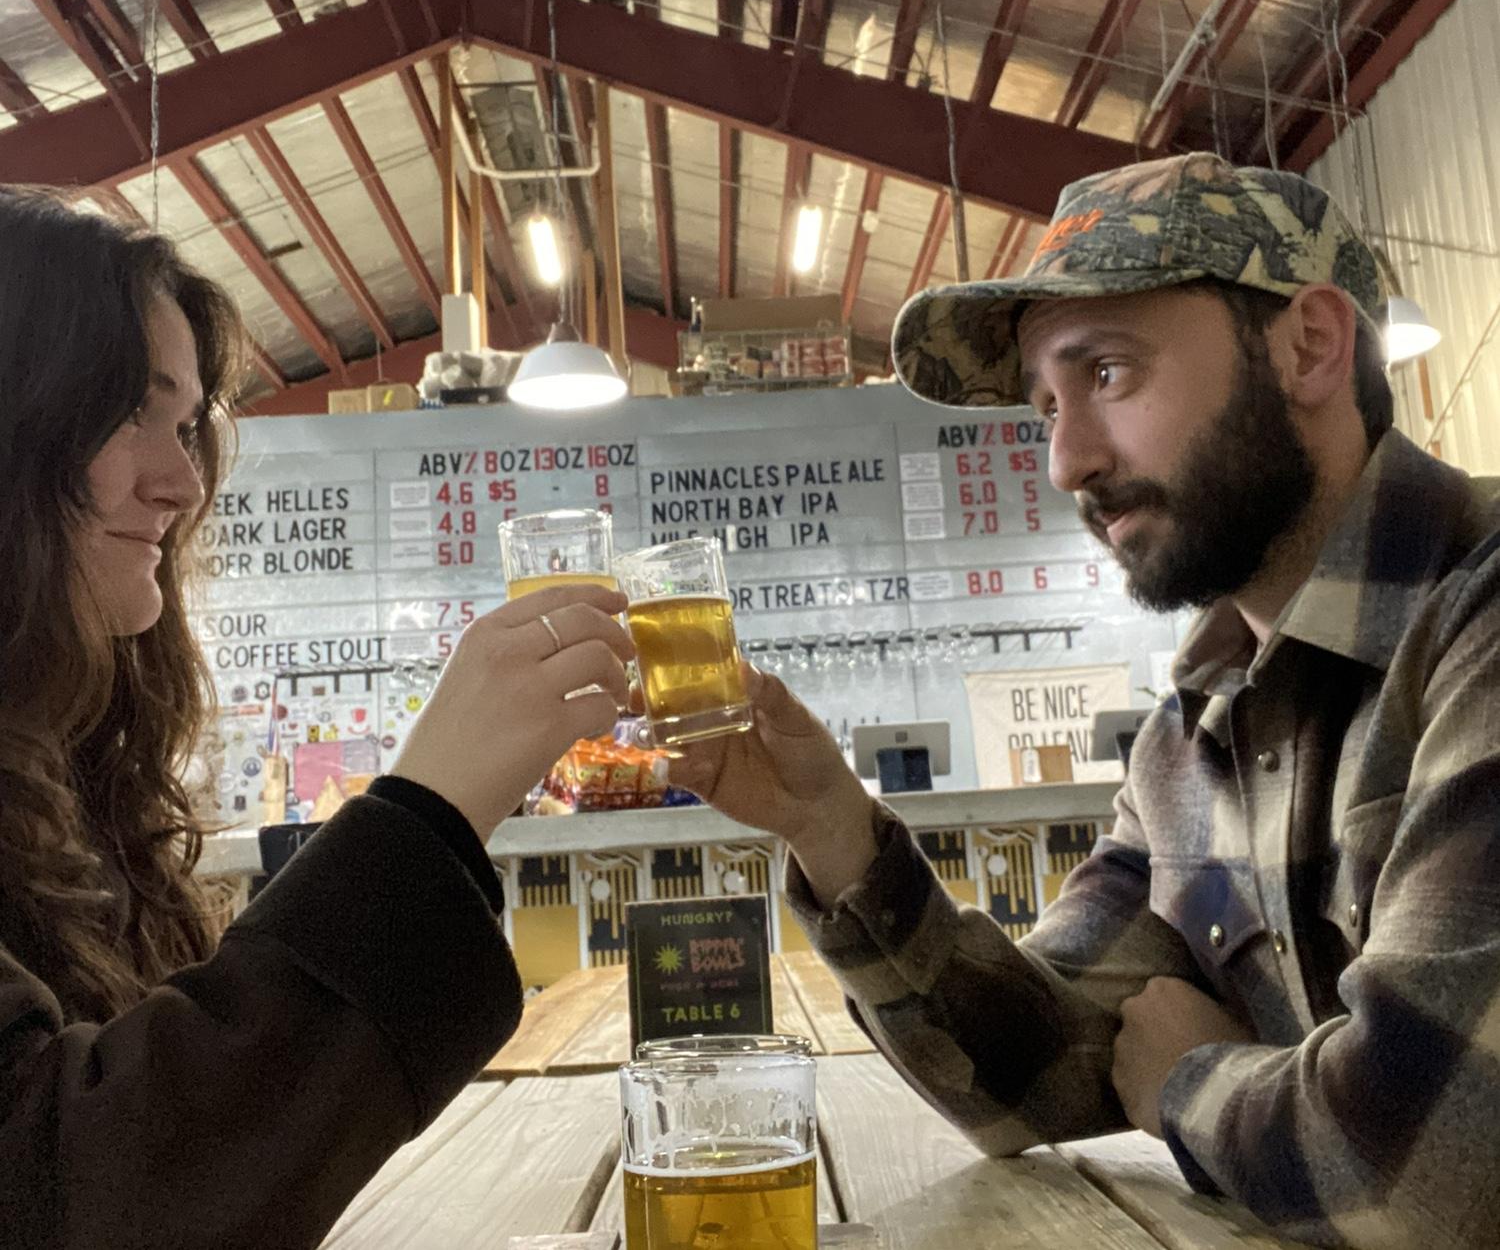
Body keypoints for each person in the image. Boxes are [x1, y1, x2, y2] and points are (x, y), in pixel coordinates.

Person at [671, 154, 1500, 1247]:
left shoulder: (1475, 625)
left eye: (1107, 374)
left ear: (1310, 345)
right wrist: (833, 831)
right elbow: (1036, 1071)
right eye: (1045, 405)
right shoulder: (1190, 733)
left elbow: (1413, 1173)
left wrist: (1184, 1082)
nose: (1066, 459)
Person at [0, 187, 634, 1248]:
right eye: (123, 413)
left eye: (185, 424)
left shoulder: (73, 785)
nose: (180, 483)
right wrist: (428, 813)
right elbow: (66, 1185)